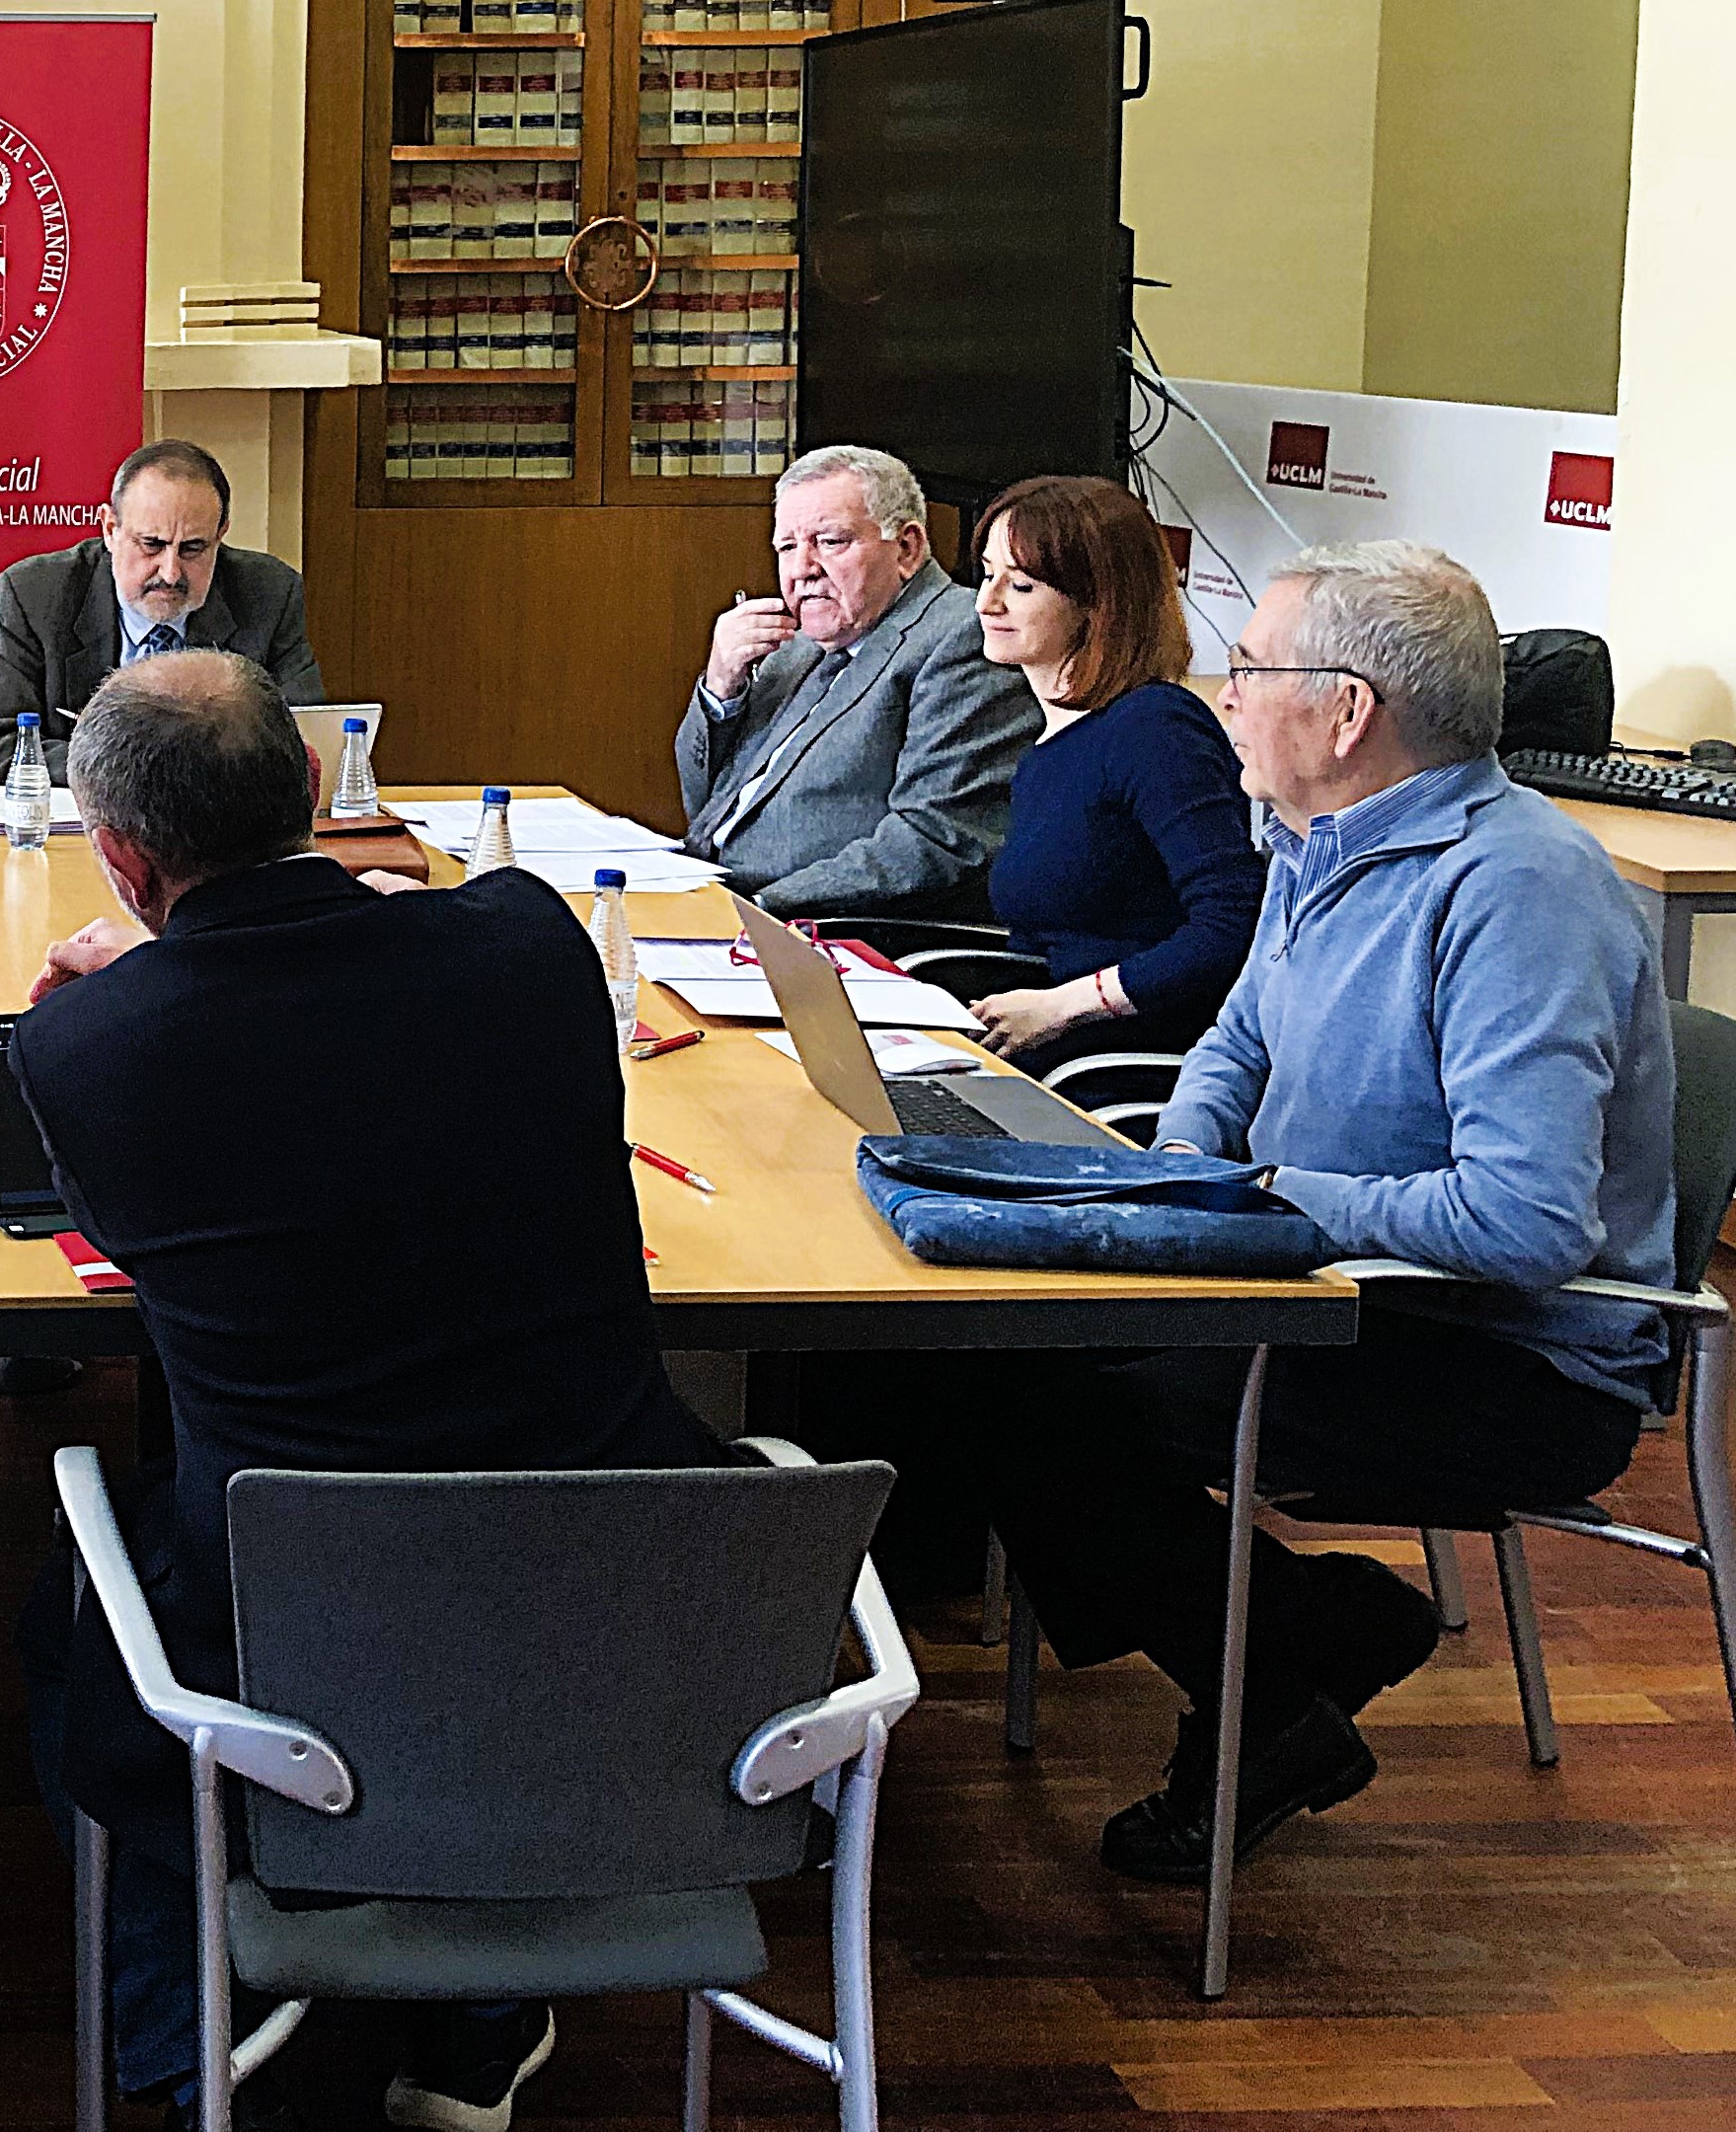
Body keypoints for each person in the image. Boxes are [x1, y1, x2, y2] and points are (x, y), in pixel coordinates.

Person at [818, 543, 1675, 1885]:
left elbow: (1527, 1220)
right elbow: (1234, 1043)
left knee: (1037, 1405)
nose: (1222, 695)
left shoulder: (1516, 889)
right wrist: (1181, 1164)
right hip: (1312, 1280)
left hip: (1499, 1353)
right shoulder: (1316, 837)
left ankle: (1283, 1656)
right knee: (945, 1353)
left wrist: (1253, 1198)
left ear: (1346, 712)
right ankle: (1289, 1648)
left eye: (1250, 669)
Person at [9, 649, 720, 2132]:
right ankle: (482, 2004)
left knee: (68, 1609)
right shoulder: (531, 946)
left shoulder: (88, 1044)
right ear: (325, 791)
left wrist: (128, 978)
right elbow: (439, 942)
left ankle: (181, 2028)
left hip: (292, 1619)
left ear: (124, 860)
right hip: (626, 1592)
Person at [961, 475, 1262, 1065]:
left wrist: (1068, 1004)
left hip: (1108, 1065)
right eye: (987, 574)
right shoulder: (1050, 743)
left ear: (1097, 605)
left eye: (1020, 586)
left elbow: (1232, 924)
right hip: (1034, 1049)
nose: (986, 602)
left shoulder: (1155, 729)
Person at [675, 442, 1036, 918]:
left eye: (830, 541)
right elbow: (704, 806)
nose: (802, 569)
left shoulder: (963, 637)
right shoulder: (803, 640)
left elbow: (935, 838)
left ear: (907, 548)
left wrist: (758, 909)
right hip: (710, 893)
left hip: (816, 925)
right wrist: (721, 689)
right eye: (787, 547)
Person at [0, 439, 324, 785]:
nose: (170, 572)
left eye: (193, 548)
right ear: (111, 529)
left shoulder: (268, 594)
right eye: (152, 545)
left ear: (221, 534)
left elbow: (306, 744)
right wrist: (132, 770)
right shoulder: (39, 593)